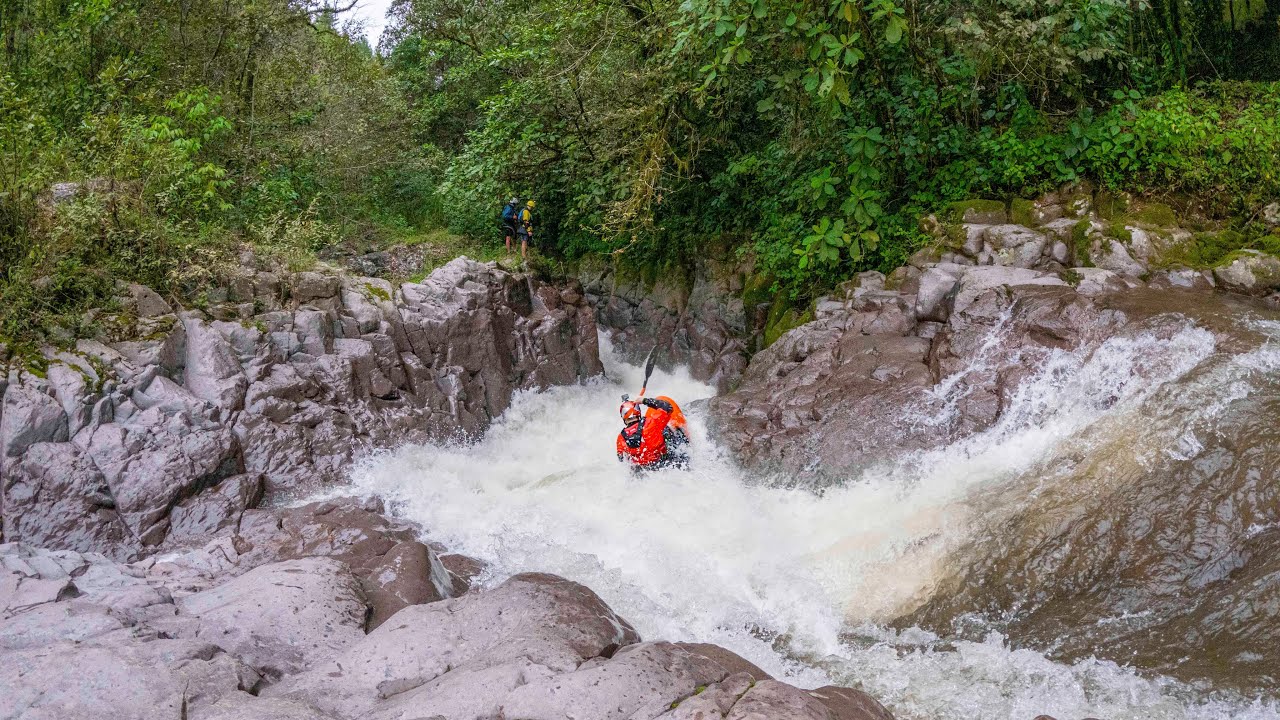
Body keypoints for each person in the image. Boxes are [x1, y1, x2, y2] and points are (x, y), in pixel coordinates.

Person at [616, 395, 688, 471]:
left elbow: (621, 459)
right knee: (666, 430)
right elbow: (667, 407)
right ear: (638, 412)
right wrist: (644, 400)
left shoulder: (620, 438)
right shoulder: (652, 423)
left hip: (643, 472)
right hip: (665, 464)